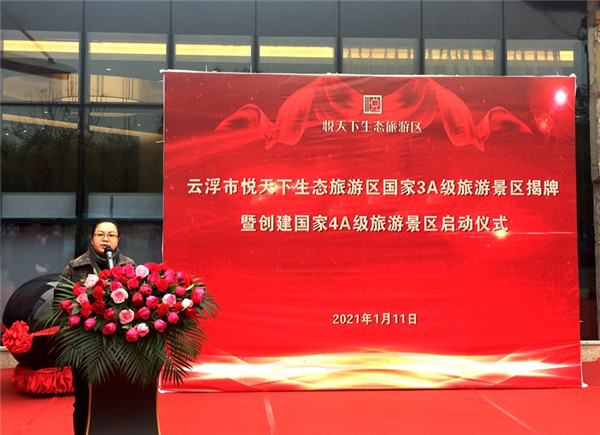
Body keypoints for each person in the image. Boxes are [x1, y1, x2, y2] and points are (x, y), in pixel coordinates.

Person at [58, 220, 135, 435]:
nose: (105, 239)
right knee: (84, 402)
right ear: (91, 239)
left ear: (118, 239)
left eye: (111, 235)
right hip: (84, 346)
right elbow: (59, 301)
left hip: (120, 347)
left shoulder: (129, 266)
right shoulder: (75, 266)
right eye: (100, 234)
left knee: (116, 401)